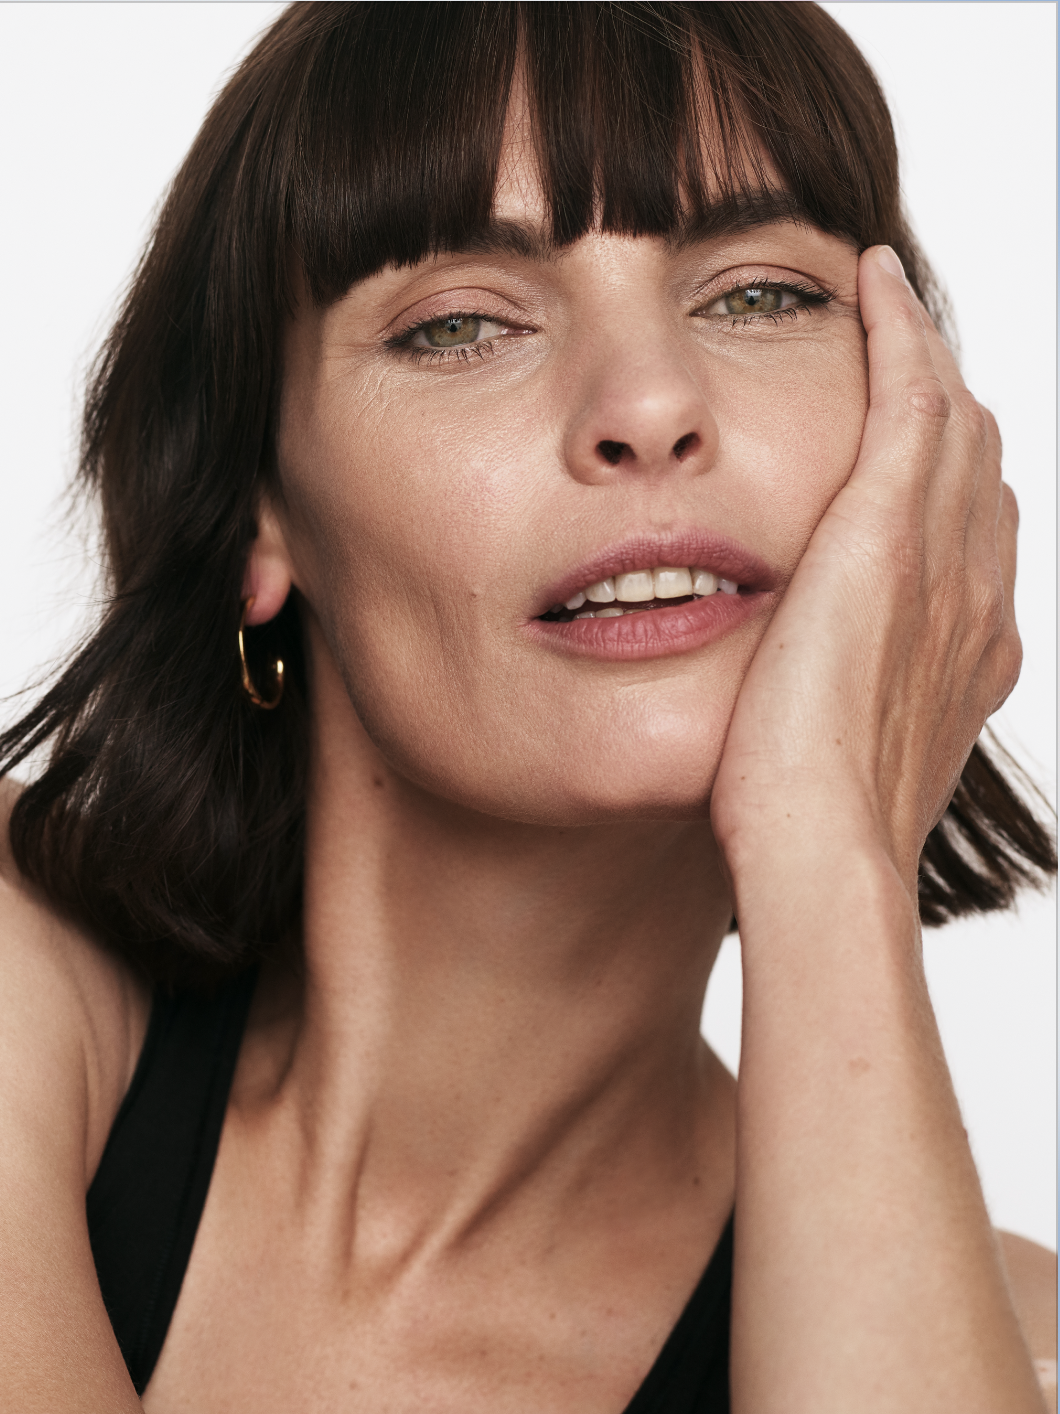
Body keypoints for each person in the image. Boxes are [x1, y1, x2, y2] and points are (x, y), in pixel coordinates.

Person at [0, 3, 1055, 1410]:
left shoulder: (1007, 1342)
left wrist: (832, 849)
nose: (651, 403)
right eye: (460, 326)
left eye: (760, 296)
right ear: (257, 514)